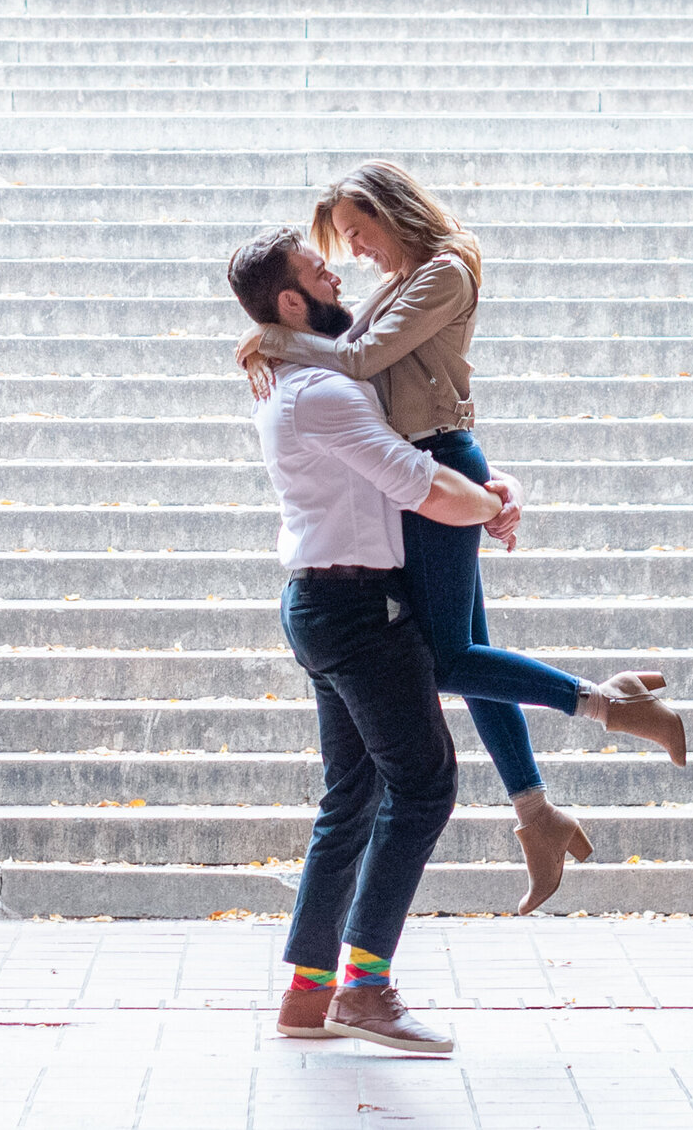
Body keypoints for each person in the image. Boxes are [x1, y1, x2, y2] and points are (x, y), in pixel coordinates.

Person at [236, 160, 687, 915]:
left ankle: (608, 706)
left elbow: (359, 361)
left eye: (358, 233)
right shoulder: (400, 280)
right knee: (465, 652)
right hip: (429, 463)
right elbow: (382, 376)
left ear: (391, 211)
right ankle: (536, 811)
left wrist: (274, 341)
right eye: (340, 245)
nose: (355, 254)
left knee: (444, 659)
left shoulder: (444, 270)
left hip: (435, 464)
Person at [228, 224, 521, 1056]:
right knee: (423, 787)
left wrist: (489, 486)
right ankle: (364, 988)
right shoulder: (319, 391)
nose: (340, 278)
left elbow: (409, 476)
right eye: (324, 272)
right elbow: (416, 484)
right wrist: (491, 507)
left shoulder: (299, 378)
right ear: (294, 302)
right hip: (356, 613)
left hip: (325, 603)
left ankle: (306, 992)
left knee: (351, 797)